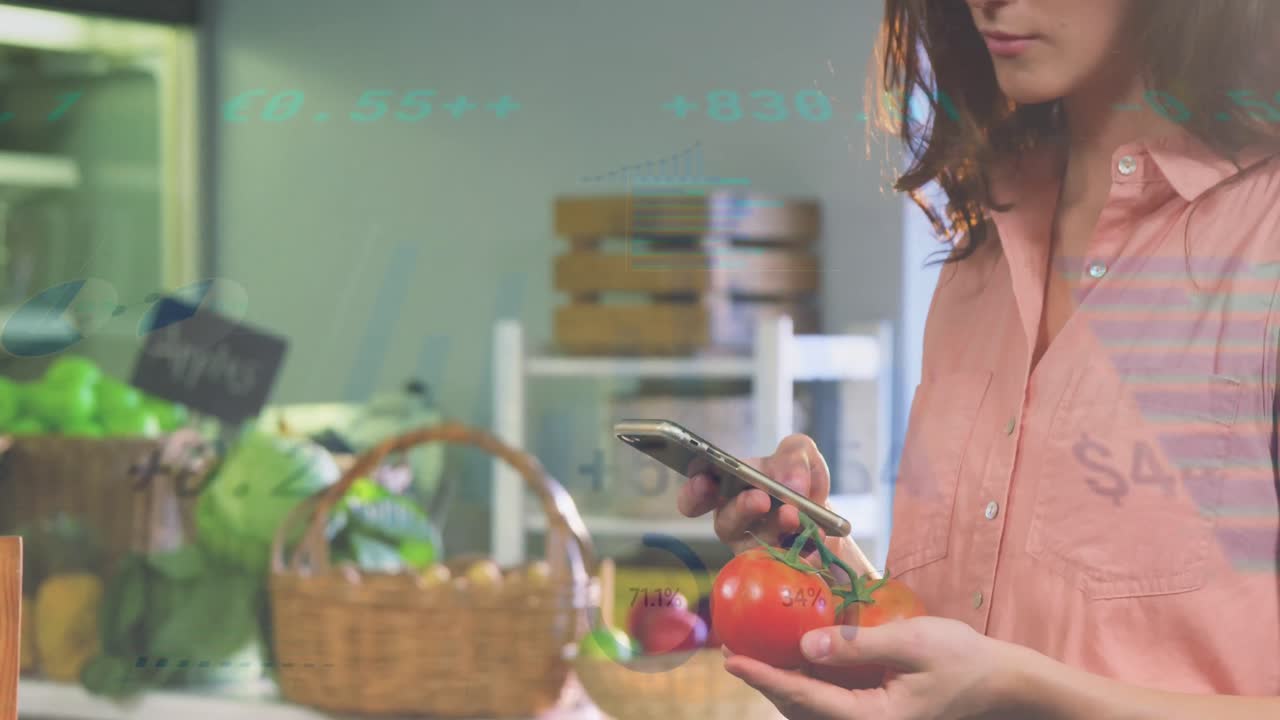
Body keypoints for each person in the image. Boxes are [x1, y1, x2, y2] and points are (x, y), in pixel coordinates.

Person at [678, 0, 1280, 717]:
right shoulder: (978, 254)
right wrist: (825, 593)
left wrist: (1019, 691)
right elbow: (947, 670)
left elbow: (987, 681)